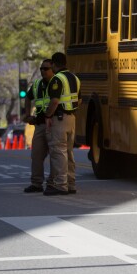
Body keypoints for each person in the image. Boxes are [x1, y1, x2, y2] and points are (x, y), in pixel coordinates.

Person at [42, 52, 81, 196]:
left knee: (58, 152)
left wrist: (48, 115)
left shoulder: (57, 79)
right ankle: (71, 183)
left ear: (53, 64)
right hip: (71, 118)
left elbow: (54, 101)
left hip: (59, 119)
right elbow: (79, 100)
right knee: (68, 152)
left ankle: (60, 185)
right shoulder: (75, 78)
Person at [23, 59, 53, 193]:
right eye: (41, 68)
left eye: (46, 68)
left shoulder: (57, 83)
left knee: (56, 156)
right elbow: (27, 97)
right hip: (40, 125)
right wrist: (27, 115)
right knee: (36, 155)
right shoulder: (37, 85)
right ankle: (36, 183)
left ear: (53, 69)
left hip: (54, 125)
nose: (43, 71)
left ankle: (54, 183)